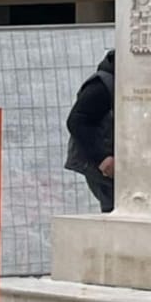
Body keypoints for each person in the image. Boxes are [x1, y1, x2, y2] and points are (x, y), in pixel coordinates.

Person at [65, 49, 116, 213]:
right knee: (114, 210)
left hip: (114, 161)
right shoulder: (102, 85)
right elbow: (77, 121)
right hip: (103, 164)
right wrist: (102, 158)